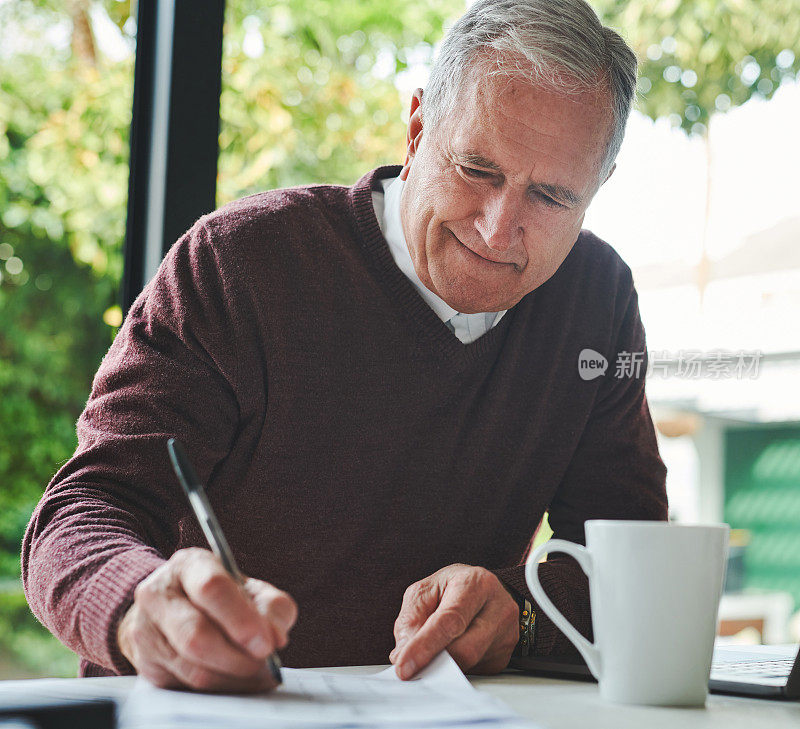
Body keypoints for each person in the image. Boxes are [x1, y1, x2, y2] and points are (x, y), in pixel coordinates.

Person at [22, 0, 667, 693]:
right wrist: (138, 603)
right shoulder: (242, 262)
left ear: (597, 189)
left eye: (550, 196)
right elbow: (79, 514)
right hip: (207, 708)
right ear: (418, 130)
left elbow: (632, 564)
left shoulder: (596, 299)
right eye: (478, 169)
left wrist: (521, 613)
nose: (498, 227)